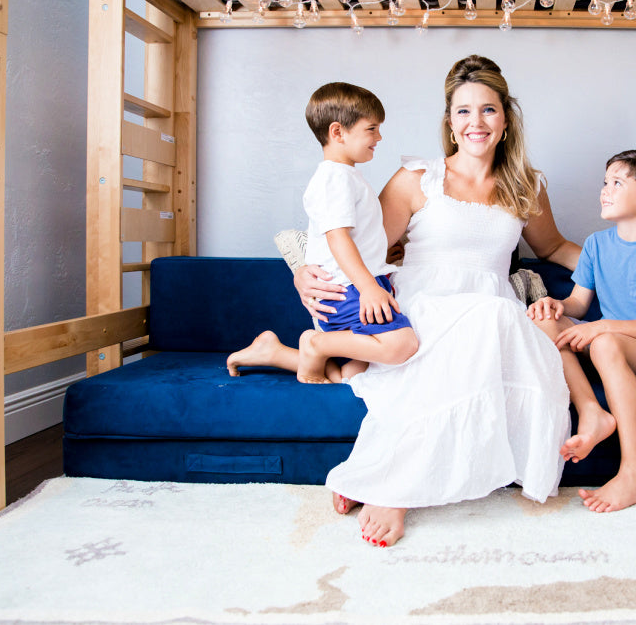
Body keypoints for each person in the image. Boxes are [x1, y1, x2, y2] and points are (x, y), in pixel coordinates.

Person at [241, 55, 581, 547]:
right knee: (458, 334)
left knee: (488, 318)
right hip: (421, 304)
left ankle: (378, 465)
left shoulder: (526, 186)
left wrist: (617, 256)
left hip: (491, 308)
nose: (475, 123)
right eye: (463, 112)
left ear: (506, 118)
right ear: (449, 121)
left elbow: (554, 249)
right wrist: (299, 275)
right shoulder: (417, 179)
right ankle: (395, 487)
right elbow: (355, 244)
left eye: (488, 110)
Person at [528, 150, 636, 513]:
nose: (605, 190)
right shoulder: (597, 246)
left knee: (603, 343)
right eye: (605, 182)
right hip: (612, 341)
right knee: (542, 322)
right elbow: (578, 305)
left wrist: (603, 328)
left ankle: (635, 472)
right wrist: (556, 305)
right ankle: (592, 411)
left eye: (618, 183)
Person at [227, 82, 418, 383]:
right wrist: (368, 287)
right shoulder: (334, 179)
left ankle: (273, 352)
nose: (379, 137)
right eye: (372, 129)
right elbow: (337, 238)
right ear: (338, 132)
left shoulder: (346, 176)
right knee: (402, 345)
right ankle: (315, 344)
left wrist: (380, 254)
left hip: (357, 286)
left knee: (353, 376)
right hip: (349, 291)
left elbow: (355, 236)